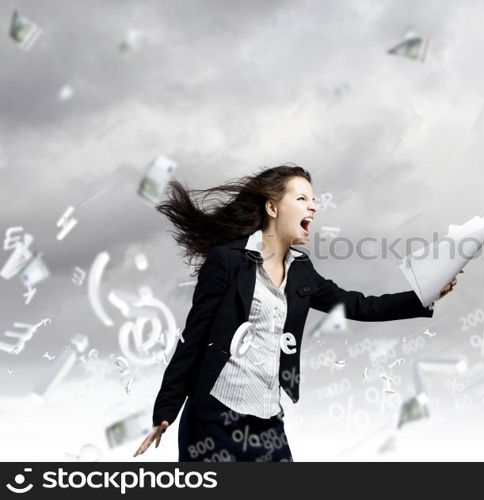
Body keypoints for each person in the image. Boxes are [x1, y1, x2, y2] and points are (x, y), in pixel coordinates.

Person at [133, 165, 459, 461]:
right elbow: (194, 338)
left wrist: (424, 294)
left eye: (313, 200)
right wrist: (165, 412)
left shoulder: (301, 271)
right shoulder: (228, 261)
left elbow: (359, 305)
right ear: (273, 207)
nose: (313, 207)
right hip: (215, 417)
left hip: (267, 420)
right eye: (302, 198)